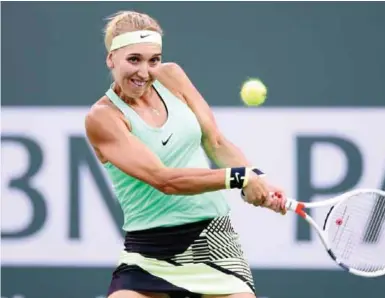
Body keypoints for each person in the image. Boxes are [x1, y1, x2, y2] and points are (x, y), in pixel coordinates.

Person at [84, 10, 287, 298]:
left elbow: (215, 142)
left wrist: (258, 178)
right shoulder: (103, 118)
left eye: (153, 60)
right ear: (110, 59)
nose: (144, 72)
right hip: (149, 253)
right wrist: (240, 177)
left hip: (213, 242)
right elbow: (164, 180)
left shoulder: (172, 76)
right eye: (134, 59)